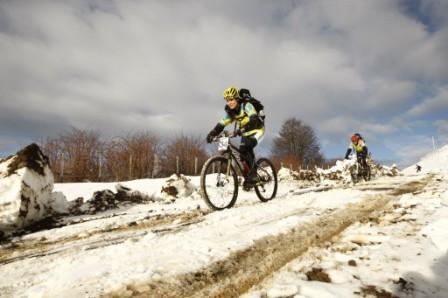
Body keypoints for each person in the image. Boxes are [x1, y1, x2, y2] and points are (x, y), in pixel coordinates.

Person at [206, 86, 265, 185]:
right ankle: (249, 178)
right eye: (227, 100)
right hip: (245, 133)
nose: (229, 102)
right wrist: (212, 133)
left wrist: (242, 129)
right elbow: (221, 124)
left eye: (231, 99)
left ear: (237, 98)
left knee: (247, 146)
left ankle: (254, 175)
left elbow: (254, 119)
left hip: (257, 130)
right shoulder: (231, 112)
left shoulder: (246, 105)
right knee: (242, 154)